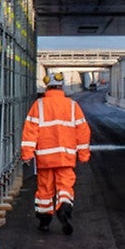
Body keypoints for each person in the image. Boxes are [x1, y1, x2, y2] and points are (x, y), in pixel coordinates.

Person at [20, 71, 90, 234]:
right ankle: (64, 208)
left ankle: (44, 220)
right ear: (61, 86)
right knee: (65, 185)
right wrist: (83, 154)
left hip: (45, 157)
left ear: (47, 87)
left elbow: (30, 131)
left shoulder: (39, 105)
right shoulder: (72, 106)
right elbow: (83, 132)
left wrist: (27, 153)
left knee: (45, 188)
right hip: (66, 156)